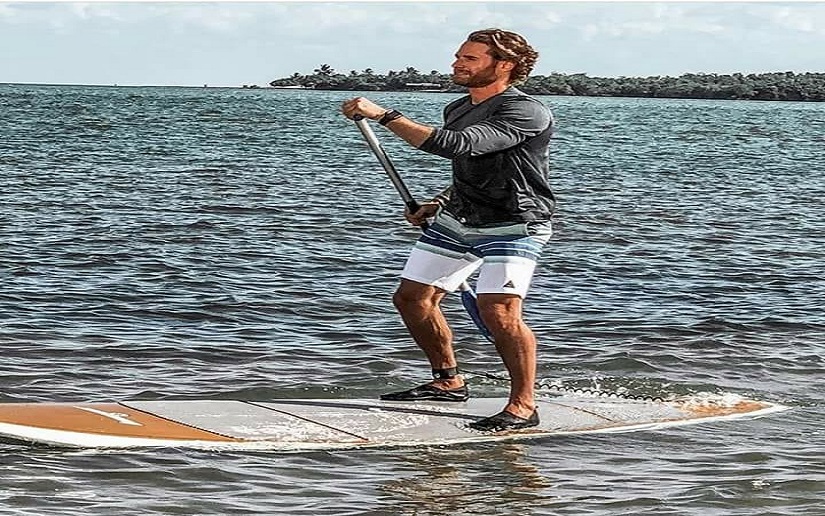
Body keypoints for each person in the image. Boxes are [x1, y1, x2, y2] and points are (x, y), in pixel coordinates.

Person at [341, 28, 555, 432]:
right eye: (459, 56)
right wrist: (437, 203)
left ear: (504, 65)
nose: (458, 63)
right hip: (458, 218)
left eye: (470, 59)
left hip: (515, 222)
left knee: (499, 310)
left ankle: (524, 405)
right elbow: (470, 169)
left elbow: (456, 145)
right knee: (412, 299)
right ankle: (448, 381)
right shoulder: (457, 107)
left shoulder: (524, 111)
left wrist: (386, 116)